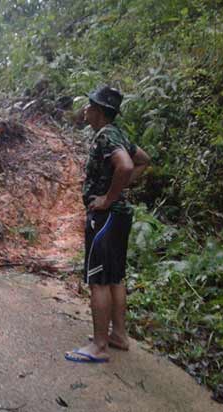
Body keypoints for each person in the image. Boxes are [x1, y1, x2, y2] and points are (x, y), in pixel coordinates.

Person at [65, 85, 151, 363]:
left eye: (90, 106)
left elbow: (126, 165)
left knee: (98, 280)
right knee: (115, 277)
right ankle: (119, 335)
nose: (86, 110)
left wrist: (106, 198)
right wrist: (119, 192)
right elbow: (143, 160)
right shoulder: (118, 133)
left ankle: (99, 346)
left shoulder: (105, 136)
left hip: (105, 218)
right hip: (119, 216)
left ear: (99, 111)